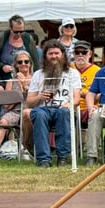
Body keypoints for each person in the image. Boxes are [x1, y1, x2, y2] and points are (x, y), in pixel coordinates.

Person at [26, 40, 81, 168]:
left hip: (63, 108)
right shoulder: (38, 75)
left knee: (63, 113)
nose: (54, 56)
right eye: (50, 54)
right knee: (38, 114)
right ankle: (44, 159)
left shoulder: (72, 74)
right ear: (45, 56)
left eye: (57, 53)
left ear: (63, 54)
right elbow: (29, 101)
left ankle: (63, 157)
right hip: (43, 109)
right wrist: (39, 97)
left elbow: (76, 99)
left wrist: (69, 104)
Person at [0, 50, 33, 158]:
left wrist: (25, 86)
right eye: (20, 62)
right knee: (2, 122)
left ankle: (25, 148)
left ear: (30, 63)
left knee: (27, 115)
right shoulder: (11, 81)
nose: (23, 64)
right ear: (16, 65)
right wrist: (19, 91)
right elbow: (7, 106)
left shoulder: (36, 79)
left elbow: (35, 100)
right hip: (15, 111)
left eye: (26, 61)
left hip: (31, 109)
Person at [0, 15, 39, 81]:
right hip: (5, 76)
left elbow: (35, 61)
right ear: (10, 28)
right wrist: (2, 66)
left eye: (21, 31)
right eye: (16, 32)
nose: (19, 34)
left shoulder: (27, 38)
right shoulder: (1, 38)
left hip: (26, 77)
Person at [71, 40, 100, 126]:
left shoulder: (98, 71)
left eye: (84, 52)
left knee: (95, 114)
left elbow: (100, 95)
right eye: (77, 52)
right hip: (70, 108)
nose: (80, 55)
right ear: (73, 54)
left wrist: (83, 94)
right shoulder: (67, 69)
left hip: (89, 108)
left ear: (90, 54)